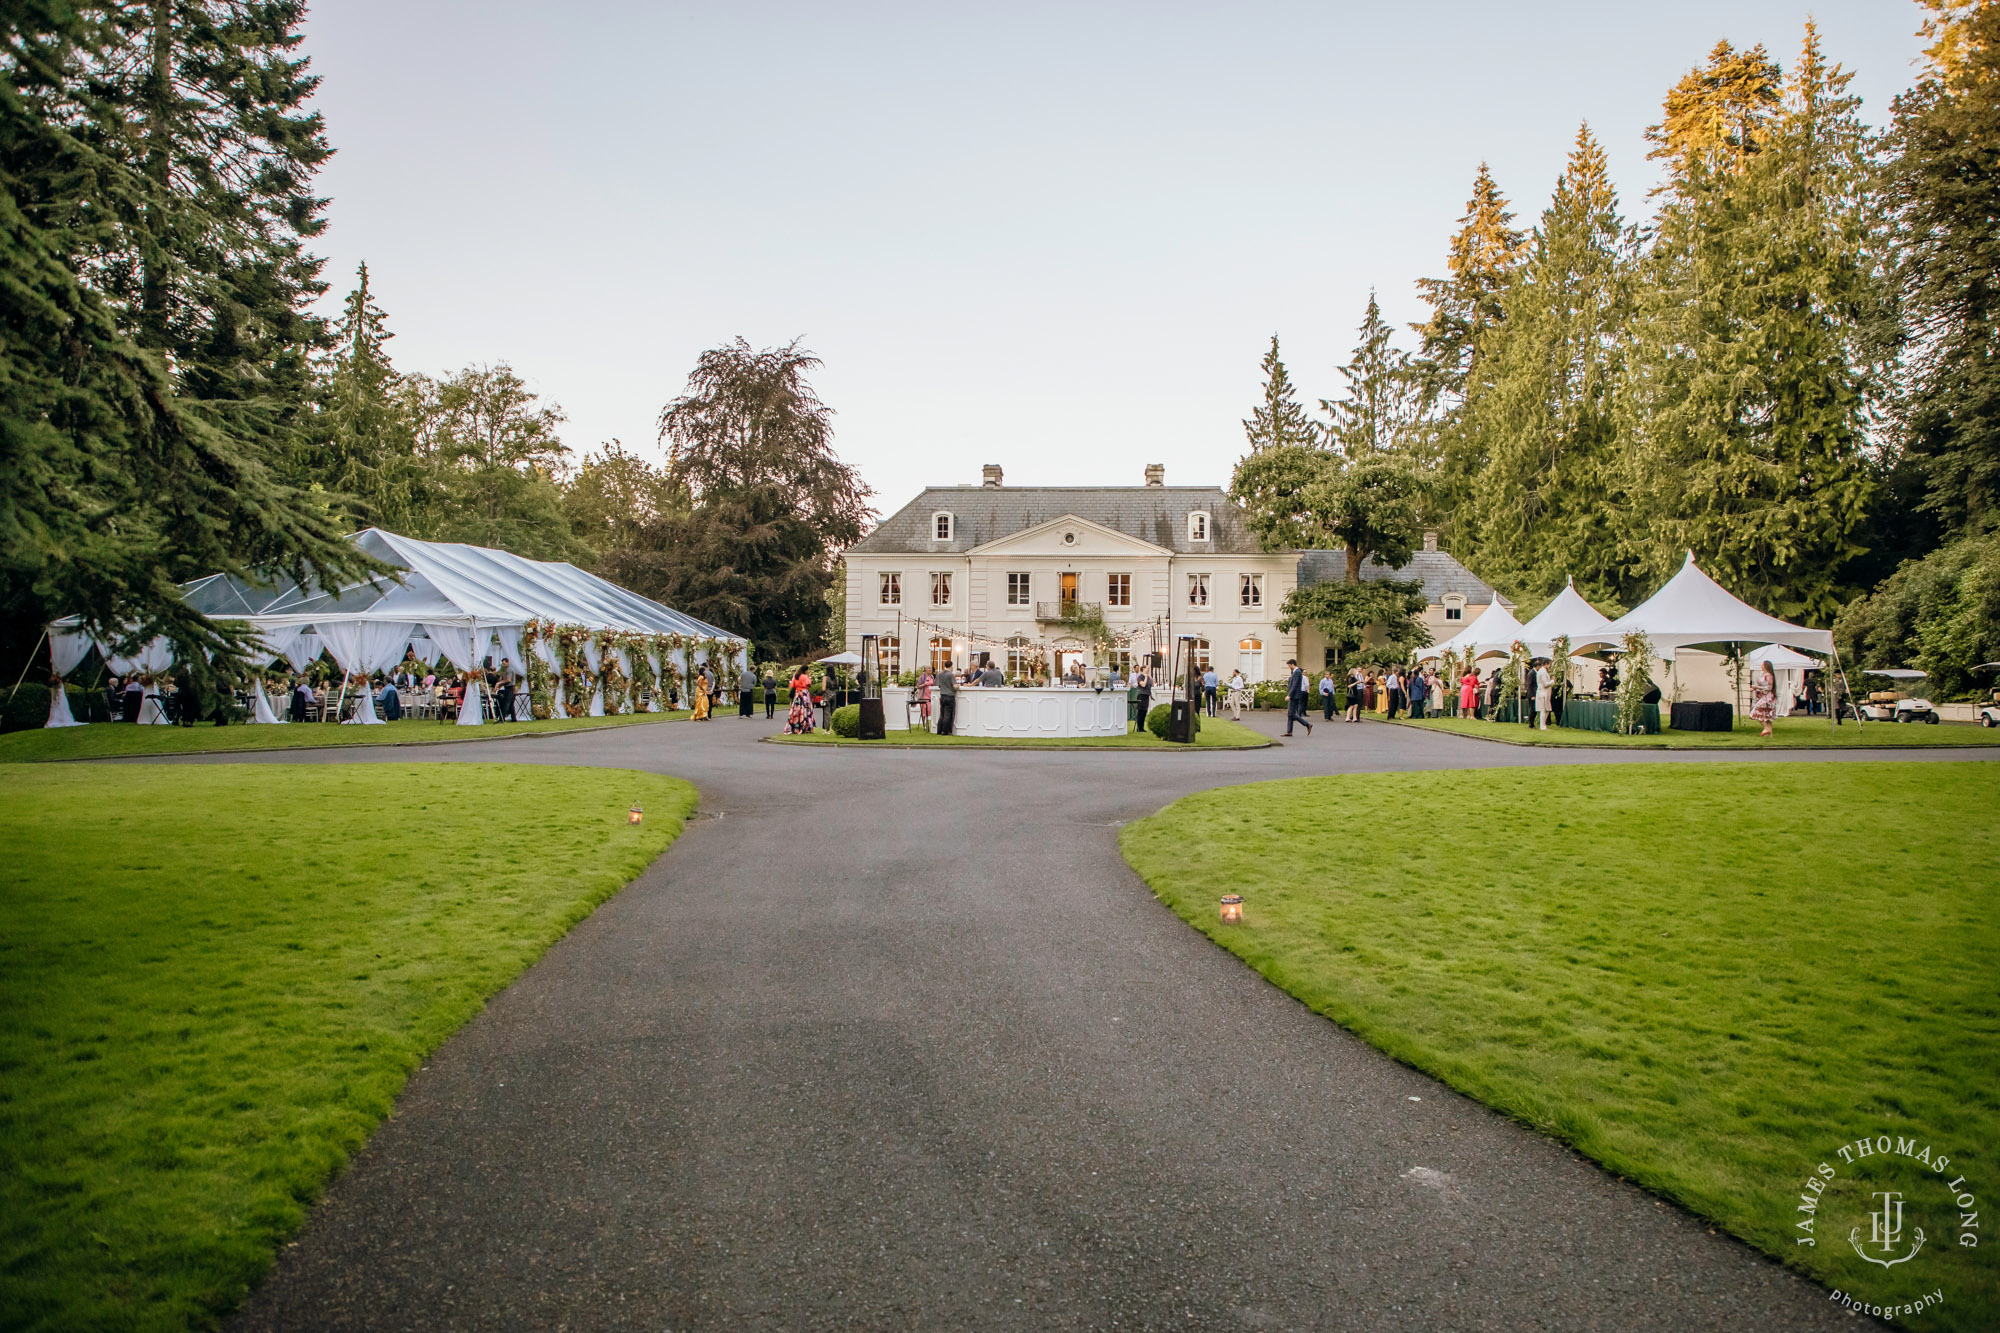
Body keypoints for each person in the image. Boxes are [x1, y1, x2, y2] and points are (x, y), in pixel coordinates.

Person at [1283, 657, 1313, 737]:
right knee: (1290, 714)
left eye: (1289, 665)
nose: (1289, 667)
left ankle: (1307, 724)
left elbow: (1295, 685)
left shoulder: (1297, 672)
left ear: (1292, 664)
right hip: (1294, 695)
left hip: (1294, 695)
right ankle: (1289, 731)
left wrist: (1289, 695)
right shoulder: (1295, 672)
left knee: (1292, 714)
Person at [1751, 659, 1778, 737]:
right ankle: (1770, 734)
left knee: (1756, 711)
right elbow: (1762, 686)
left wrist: (1756, 687)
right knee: (1766, 715)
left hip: (1767, 697)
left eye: (1762, 664)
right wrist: (1754, 688)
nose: (1761, 666)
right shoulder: (1763, 675)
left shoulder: (1769, 675)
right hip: (1763, 696)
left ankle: (1766, 728)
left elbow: (1769, 687)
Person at [935, 660, 957, 735]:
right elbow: (954, 686)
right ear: (951, 666)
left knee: (942, 714)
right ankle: (945, 731)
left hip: (942, 695)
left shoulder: (939, 674)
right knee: (947, 714)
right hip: (949, 695)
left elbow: (938, 684)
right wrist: (958, 686)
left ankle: (939, 730)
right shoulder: (951, 675)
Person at [1132, 663, 1152, 733]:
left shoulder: (1148, 677)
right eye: (1147, 669)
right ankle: (1139, 728)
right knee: (1141, 711)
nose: (1148, 670)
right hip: (1141, 695)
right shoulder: (1140, 677)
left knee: (1144, 712)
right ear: (1143, 669)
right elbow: (1143, 685)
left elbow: (1149, 687)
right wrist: (1146, 677)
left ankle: (1142, 728)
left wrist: (1151, 695)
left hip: (1146, 695)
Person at [1533, 660, 1552, 731]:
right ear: (1546, 664)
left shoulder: (1542, 671)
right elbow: (1545, 684)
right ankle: (1542, 726)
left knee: (1546, 709)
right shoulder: (1543, 672)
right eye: (1549, 664)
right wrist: (1552, 681)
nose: (1550, 666)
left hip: (1544, 693)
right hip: (1543, 693)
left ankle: (1543, 725)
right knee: (1543, 710)